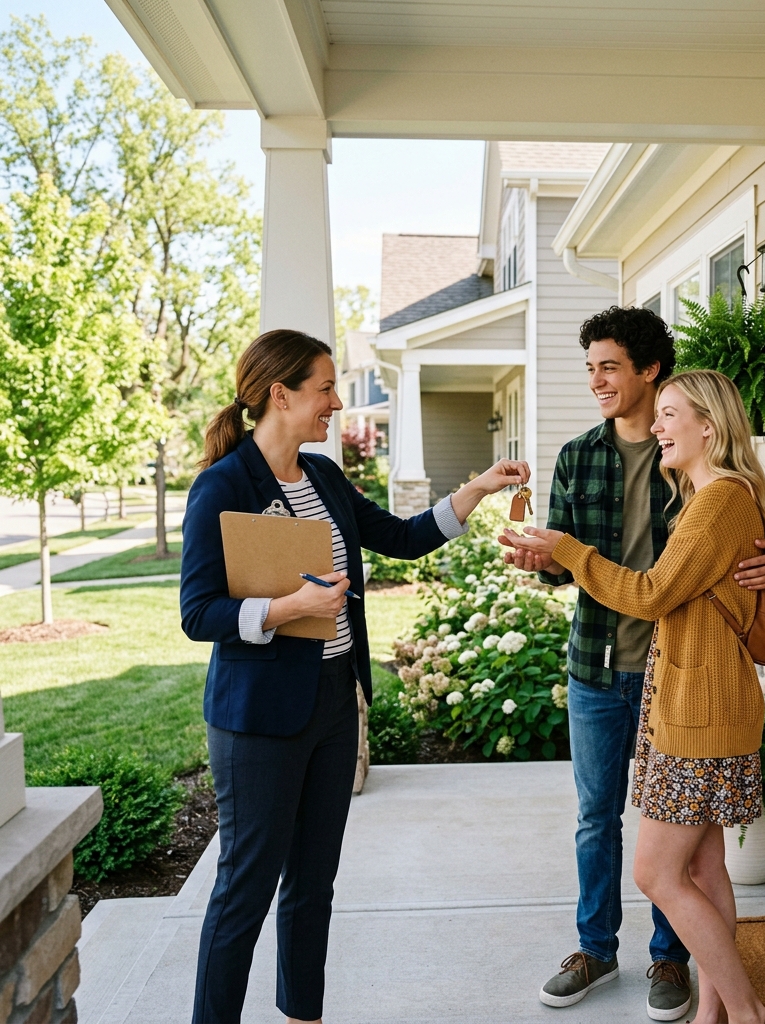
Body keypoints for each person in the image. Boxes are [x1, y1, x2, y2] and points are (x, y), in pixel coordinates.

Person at [180, 328, 529, 1024]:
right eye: (326, 388)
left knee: (313, 886)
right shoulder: (224, 485)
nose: (337, 402)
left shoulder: (325, 478)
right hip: (259, 723)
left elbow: (401, 537)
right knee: (244, 891)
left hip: (336, 706)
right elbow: (199, 612)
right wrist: (289, 608)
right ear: (281, 395)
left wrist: (479, 490)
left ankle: (302, 1015)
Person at [499, 307, 765, 1021]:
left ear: (650, 371)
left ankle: (699, 980)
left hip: (686, 691)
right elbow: (583, 569)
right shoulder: (599, 460)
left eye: (610, 366)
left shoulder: (708, 491)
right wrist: (544, 559)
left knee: (661, 869)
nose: (597, 380)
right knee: (635, 835)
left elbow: (674, 584)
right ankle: (640, 971)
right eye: (590, 368)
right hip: (614, 672)